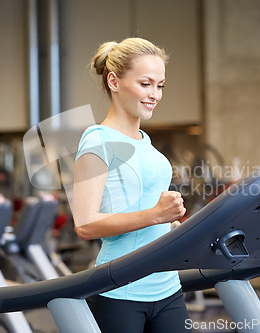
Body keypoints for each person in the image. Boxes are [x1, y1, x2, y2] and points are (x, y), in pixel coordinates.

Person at [72, 37, 192, 333]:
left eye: (160, 85)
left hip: (167, 287)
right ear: (114, 81)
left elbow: (142, 210)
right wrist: (156, 216)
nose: (155, 94)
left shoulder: (147, 145)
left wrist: (168, 229)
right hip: (119, 291)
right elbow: (85, 224)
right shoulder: (97, 140)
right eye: (145, 84)